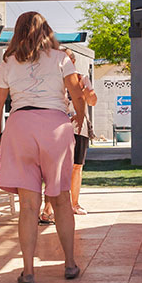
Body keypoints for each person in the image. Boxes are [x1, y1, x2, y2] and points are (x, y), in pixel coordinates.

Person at [0, 12, 87, 283]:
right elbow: (76, 92)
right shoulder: (61, 58)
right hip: (55, 126)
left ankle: (29, 271)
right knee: (61, 200)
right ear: (47, 30)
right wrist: (80, 116)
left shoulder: (8, 61)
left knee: (28, 206)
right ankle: (69, 264)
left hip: (20, 126)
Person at [41, 50, 98, 222]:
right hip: (58, 128)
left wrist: (86, 93)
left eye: (67, 59)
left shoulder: (81, 78)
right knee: (54, 168)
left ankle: (74, 204)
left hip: (79, 129)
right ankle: (47, 209)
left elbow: (93, 101)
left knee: (77, 167)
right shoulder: (52, 80)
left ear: (72, 61)